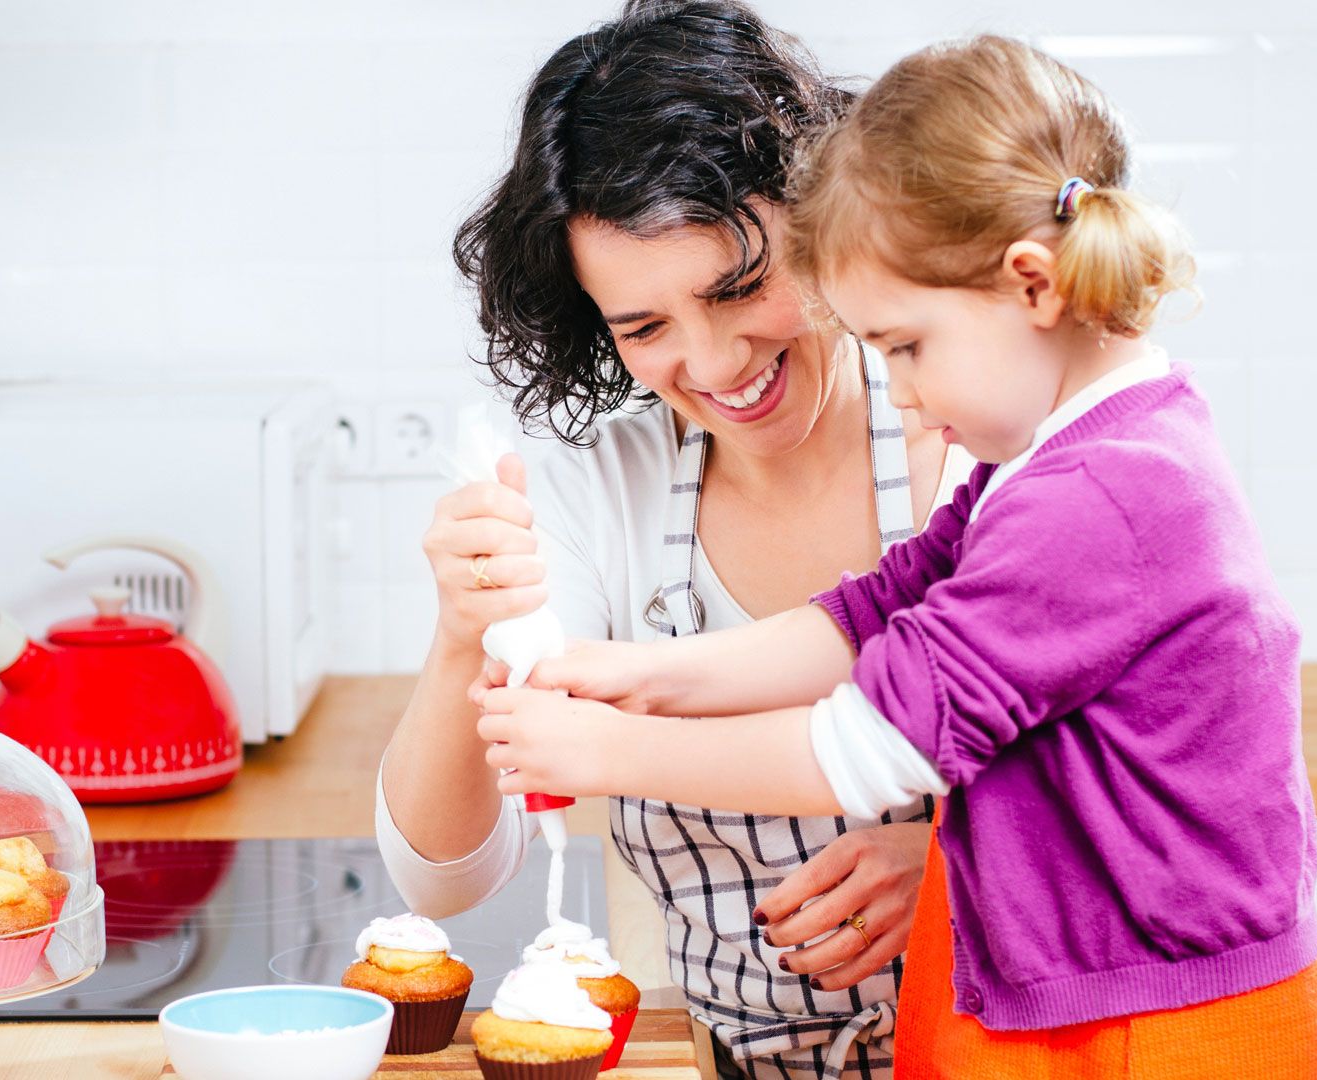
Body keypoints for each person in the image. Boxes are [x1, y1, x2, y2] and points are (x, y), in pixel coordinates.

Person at [475, 34, 1317, 1078]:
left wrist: (612, 754)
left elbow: (865, 748)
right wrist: (648, 675)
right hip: (1068, 996)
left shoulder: (1102, 494)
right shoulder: (1056, 460)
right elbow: (881, 612)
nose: (903, 395)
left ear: (1032, 286)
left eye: (907, 349)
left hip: (1154, 1025)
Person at [375, 3, 971, 1076]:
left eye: (741, 287)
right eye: (642, 328)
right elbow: (444, 882)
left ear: (819, 211)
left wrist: (964, 867)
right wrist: (466, 633)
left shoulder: (966, 422)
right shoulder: (598, 494)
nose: (714, 362)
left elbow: (1132, 773)